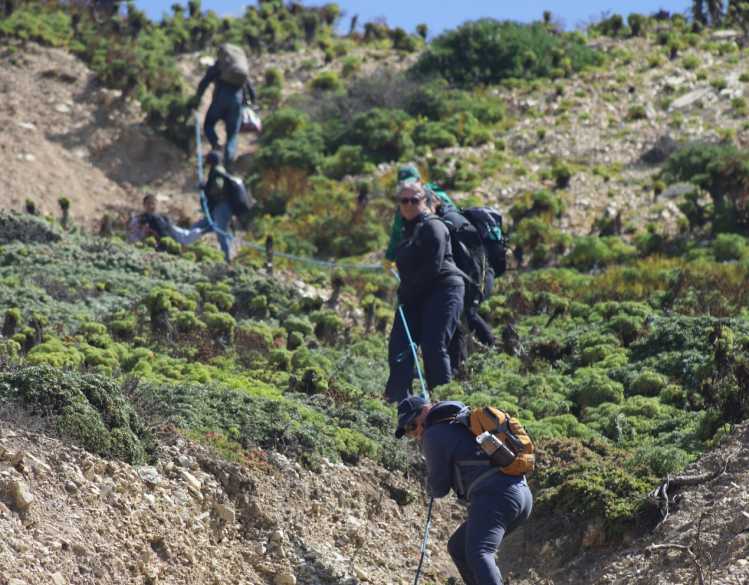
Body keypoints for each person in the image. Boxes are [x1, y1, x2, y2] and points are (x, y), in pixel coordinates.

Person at [395, 396, 533, 585]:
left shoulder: (433, 434)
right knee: (458, 547)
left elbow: (439, 487)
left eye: (413, 426)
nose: (416, 434)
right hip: (521, 495)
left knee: (479, 551)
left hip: (495, 496)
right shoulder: (461, 421)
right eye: (409, 432)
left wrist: (430, 487)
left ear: (426, 410)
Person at [384, 181, 464, 403]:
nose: (408, 205)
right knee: (399, 346)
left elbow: (433, 266)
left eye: (414, 200)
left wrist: (408, 291)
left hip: (444, 289)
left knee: (433, 346)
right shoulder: (406, 229)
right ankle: (398, 402)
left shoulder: (433, 226)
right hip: (416, 295)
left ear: (426, 202)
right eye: (404, 200)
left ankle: (446, 405)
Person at [173, 151, 253, 263]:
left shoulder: (217, 171)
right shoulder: (218, 170)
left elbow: (218, 189)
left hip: (222, 208)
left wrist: (204, 187)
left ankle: (227, 259)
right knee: (201, 226)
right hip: (217, 209)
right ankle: (186, 245)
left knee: (221, 233)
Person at [191, 44, 257, 172]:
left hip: (220, 99)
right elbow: (251, 89)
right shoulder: (239, 71)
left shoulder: (219, 66)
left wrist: (196, 99)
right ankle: (228, 165)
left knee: (209, 125)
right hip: (237, 103)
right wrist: (253, 103)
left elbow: (204, 82)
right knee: (232, 135)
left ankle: (216, 146)